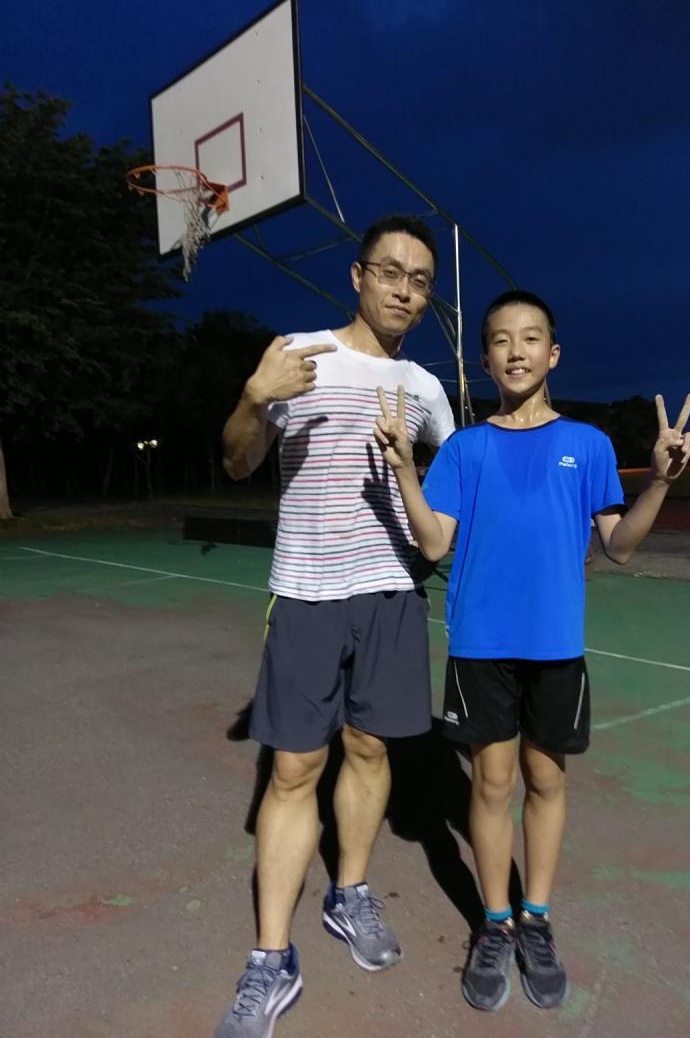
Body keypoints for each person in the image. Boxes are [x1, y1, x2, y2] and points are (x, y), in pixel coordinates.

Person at [373, 289, 690, 1014]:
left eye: (529, 338)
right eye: (500, 339)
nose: (515, 351)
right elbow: (433, 542)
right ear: (485, 359)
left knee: (545, 781)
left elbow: (619, 545)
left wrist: (660, 482)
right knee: (491, 785)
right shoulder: (465, 449)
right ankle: (495, 923)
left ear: (553, 354)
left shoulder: (589, 445)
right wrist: (404, 469)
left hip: (555, 649)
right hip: (481, 646)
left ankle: (536, 920)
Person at [214, 215, 455, 1038]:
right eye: (389, 271)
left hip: (390, 594)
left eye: (419, 280)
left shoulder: (425, 390)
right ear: (357, 276)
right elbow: (237, 461)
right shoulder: (300, 357)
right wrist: (254, 398)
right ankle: (270, 959)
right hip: (308, 593)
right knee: (293, 769)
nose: (403, 290)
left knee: (370, 748)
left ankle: (349, 893)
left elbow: (456, 487)